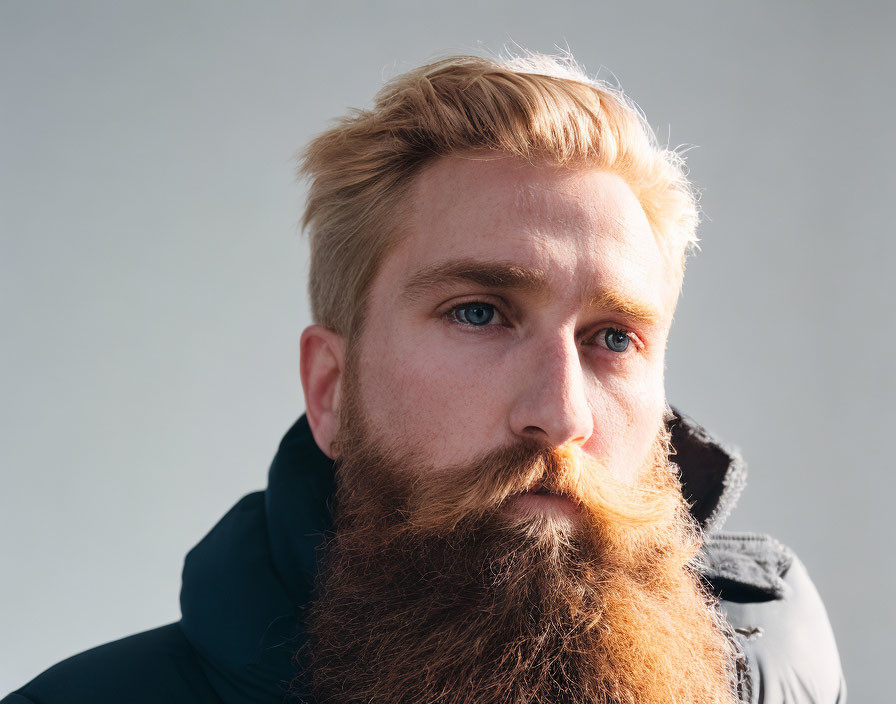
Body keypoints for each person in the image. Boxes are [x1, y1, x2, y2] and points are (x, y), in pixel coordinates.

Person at [3, 51, 847, 704]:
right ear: (331, 389)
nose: (561, 414)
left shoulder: (776, 666)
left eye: (612, 336)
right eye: (479, 312)